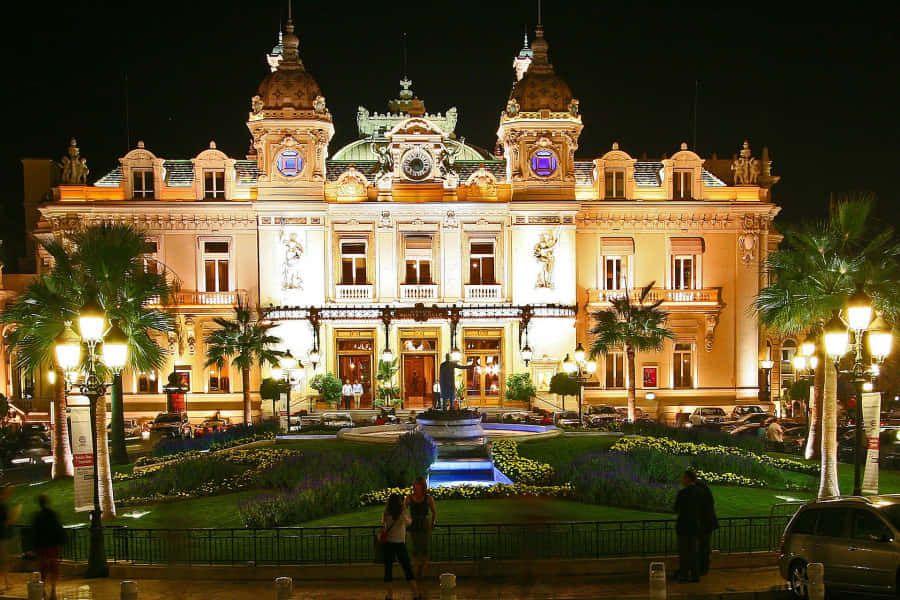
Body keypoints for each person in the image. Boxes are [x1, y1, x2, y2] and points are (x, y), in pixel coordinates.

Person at [381, 493, 419, 600]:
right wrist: (405, 510)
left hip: (388, 543)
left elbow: (384, 525)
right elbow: (409, 523)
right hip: (400, 544)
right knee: (407, 568)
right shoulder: (402, 514)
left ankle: (390, 595)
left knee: (388, 569)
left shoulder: (386, 513)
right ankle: (415, 593)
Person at [32, 495, 65, 600]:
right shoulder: (52, 515)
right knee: (53, 569)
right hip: (52, 546)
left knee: (43, 569)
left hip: (41, 547)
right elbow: (58, 529)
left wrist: (35, 547)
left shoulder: (37, 517)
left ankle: (43, 590)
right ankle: (53, 591)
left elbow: (34, 533)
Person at [406, 477, 437, 581]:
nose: (417, 488)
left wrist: (433, 522)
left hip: (424, 524)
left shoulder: (428, 498)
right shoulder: (409, 498)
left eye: (419, 486)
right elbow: (403, 510)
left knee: (424, 548)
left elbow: (434, 512)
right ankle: (416, 570)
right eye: (416, 486)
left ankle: (422, 571)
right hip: (413, 524)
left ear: (423, 487)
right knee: (415, 548)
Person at [674, 469, 702, 583]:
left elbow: (676, 509)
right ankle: (695, 574)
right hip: (695, 525)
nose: (681, 480)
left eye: (683, 477)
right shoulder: (700, 492)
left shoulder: (682, 493)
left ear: (688, 479)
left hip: (684, 526)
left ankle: (684, 574)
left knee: (684, 552)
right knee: (693, 551)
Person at [695, 477, 718, 577]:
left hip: (705, 524)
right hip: (708, 524)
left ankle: (702, 568)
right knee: (704, 546)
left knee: (703, 547)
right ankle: (703, 568)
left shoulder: (701, 495)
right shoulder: (706, 495)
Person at [0, 486, 17, 591]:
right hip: (2, 537)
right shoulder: (3, 507)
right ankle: (6, 583)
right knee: (4, 562)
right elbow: (8, 522)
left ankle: (6, 582)